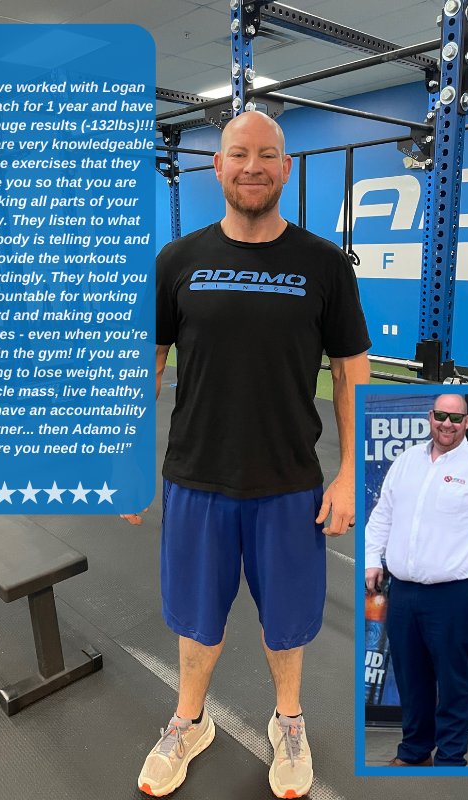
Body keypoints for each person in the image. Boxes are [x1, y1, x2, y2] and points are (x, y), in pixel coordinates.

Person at [122, 110, 371, 797]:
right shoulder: (178, 261)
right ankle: (188, 720)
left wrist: (352, 473)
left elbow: (352, 370)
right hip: (196, 478)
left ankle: (287, 720)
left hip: (290, 482)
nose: (252, 165)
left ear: (286, 167)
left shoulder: (323, 264)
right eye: (239, 154)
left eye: (267, 154)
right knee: (196, 622)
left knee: (286, 623)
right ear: (218, 166)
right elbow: (148, 362)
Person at [365, 394, 468, 768]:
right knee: (411, 677)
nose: (447, 423)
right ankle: (414, 751)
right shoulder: (406, 462)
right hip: (403, 592)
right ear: (430, 417)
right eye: (441, 416)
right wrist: (373, 559)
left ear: (467, 422)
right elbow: (382, 517)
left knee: (453, 681)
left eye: (455, 417)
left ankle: (451, 758)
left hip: (457, 593)